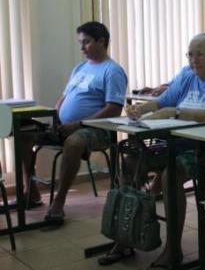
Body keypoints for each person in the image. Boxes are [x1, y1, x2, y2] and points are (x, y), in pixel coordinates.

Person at [98, 33, 205, 270]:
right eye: (190, 54)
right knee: (131, 162)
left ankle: (173, 249)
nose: (193, 60)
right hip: (176, 144)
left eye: (200, 54)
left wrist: (176, 113)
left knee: (171, 175)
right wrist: (140, 109)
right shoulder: (187, 76)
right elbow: (163, 101)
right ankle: (126, 235)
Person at [20, 21, 127, 221]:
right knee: (23, 135)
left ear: (101, 42)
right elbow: (63, 97)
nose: (81, 48)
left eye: (86, 42)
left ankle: (59, 202)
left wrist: (78, 125)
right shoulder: (80, 68)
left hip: (96, 130)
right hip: (64, 127)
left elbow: (113, 108)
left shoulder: (112, 71)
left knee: (74, 142)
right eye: (80, 42)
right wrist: (56, 118)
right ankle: (31, 192)